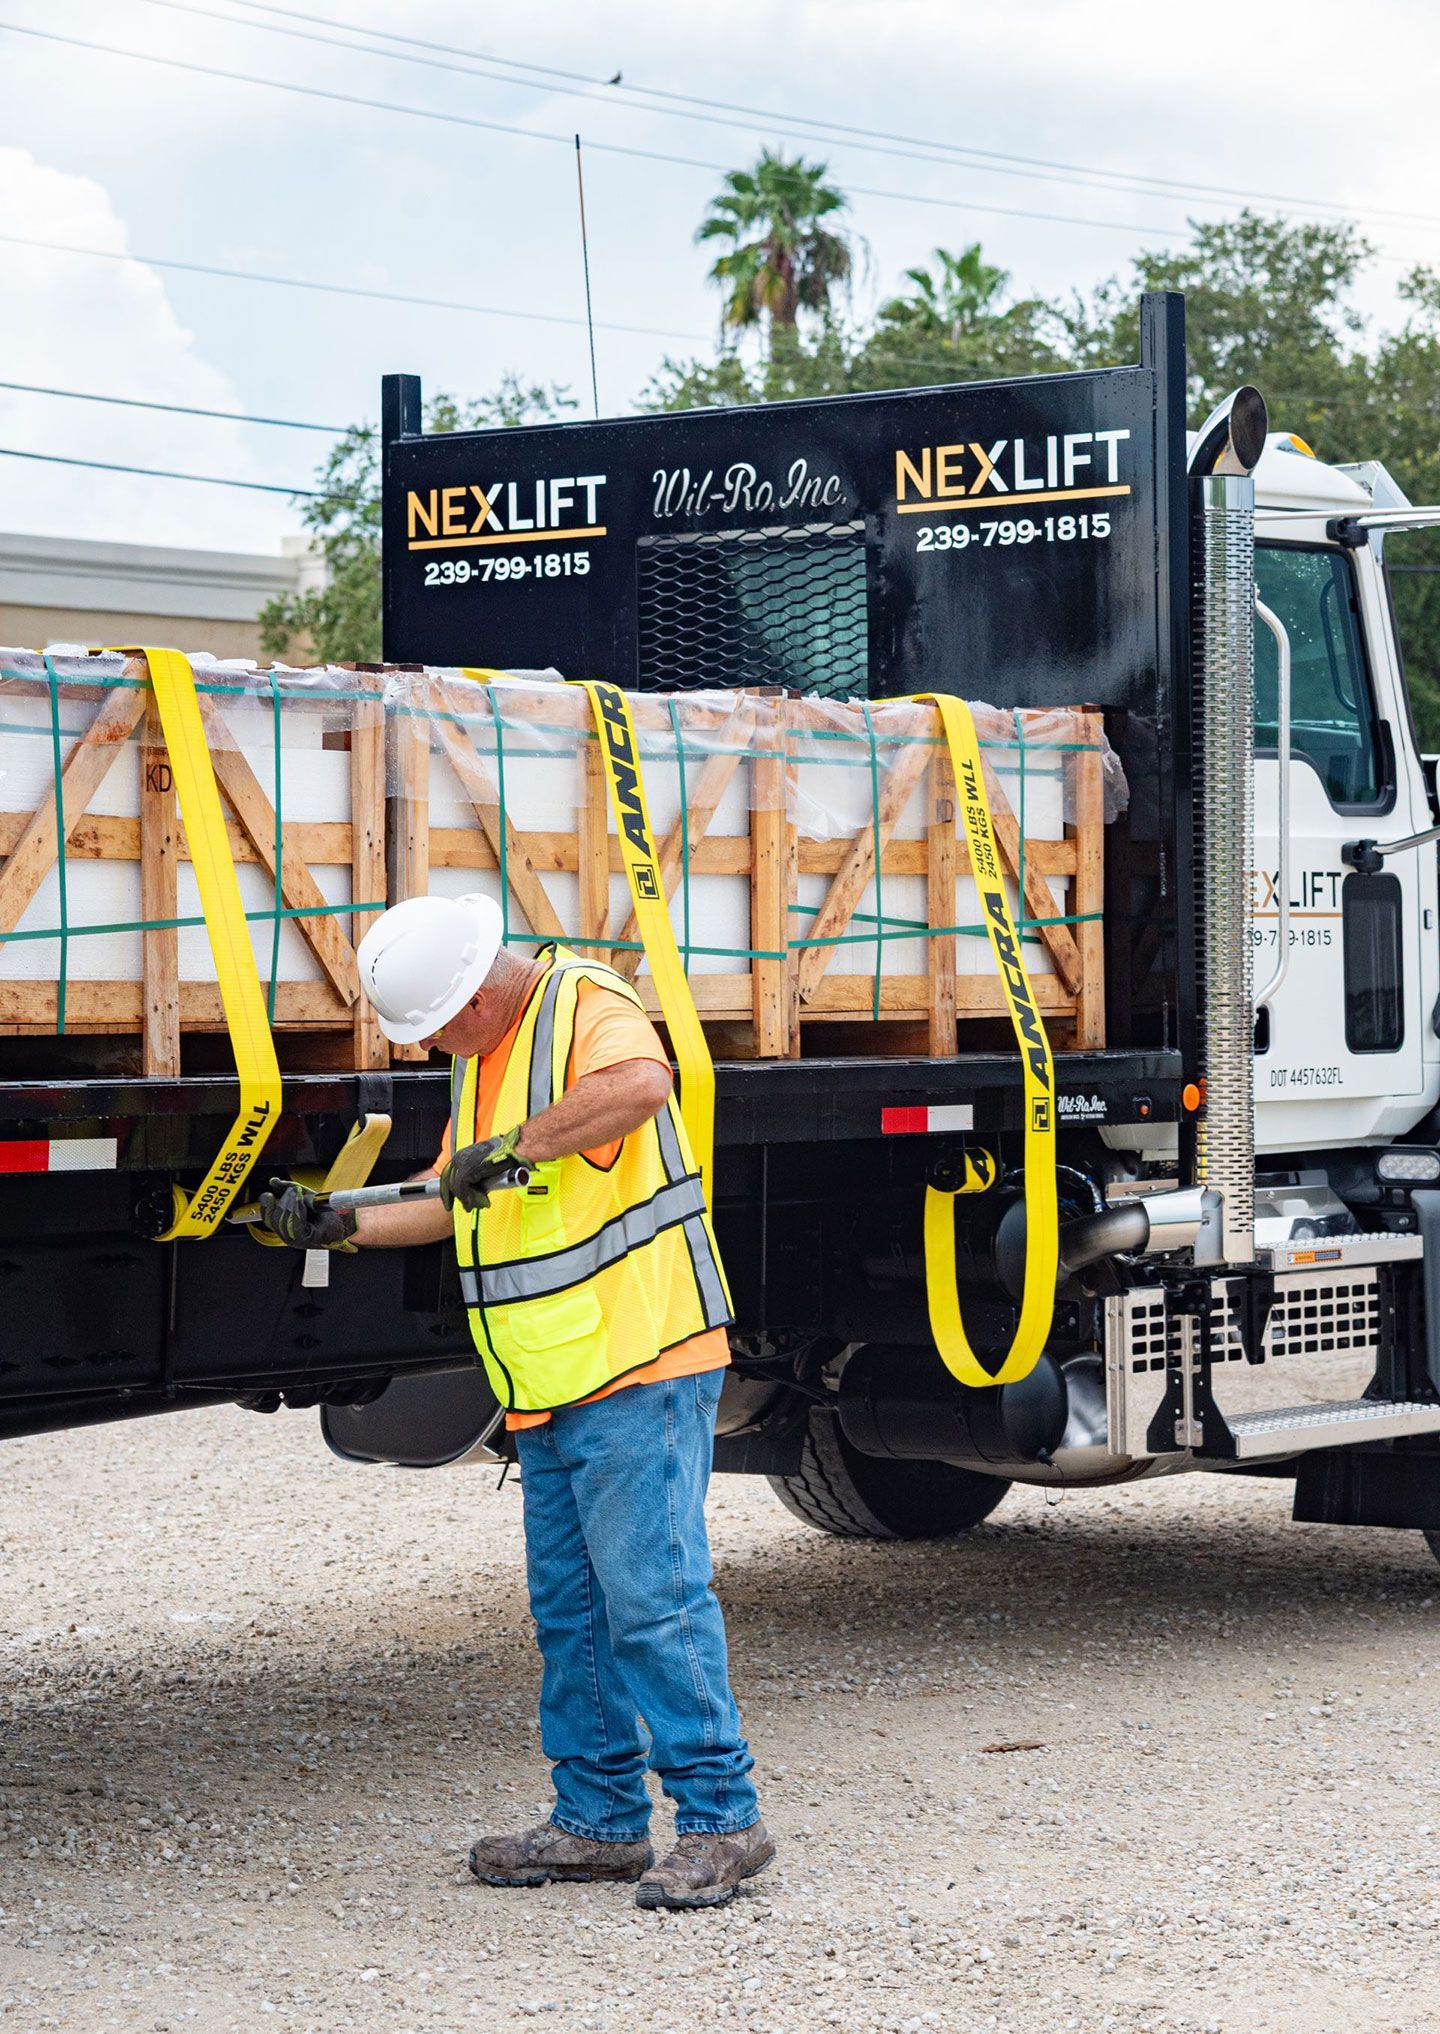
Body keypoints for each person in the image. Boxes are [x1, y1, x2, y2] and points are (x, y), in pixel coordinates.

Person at [258, 891, 772, 1911]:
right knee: (574, 1615)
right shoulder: (481, 1056)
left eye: (440, 1023)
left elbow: (642, 1082)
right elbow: (451, 1196)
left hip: (640, 1358)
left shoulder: (587, 998)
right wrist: (337, 1228)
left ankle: (724, 1819)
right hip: (550, 1383)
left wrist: (522, 1142)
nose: (434, 1042)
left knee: (651, 1602)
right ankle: (598, 1821)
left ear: (481, 992)